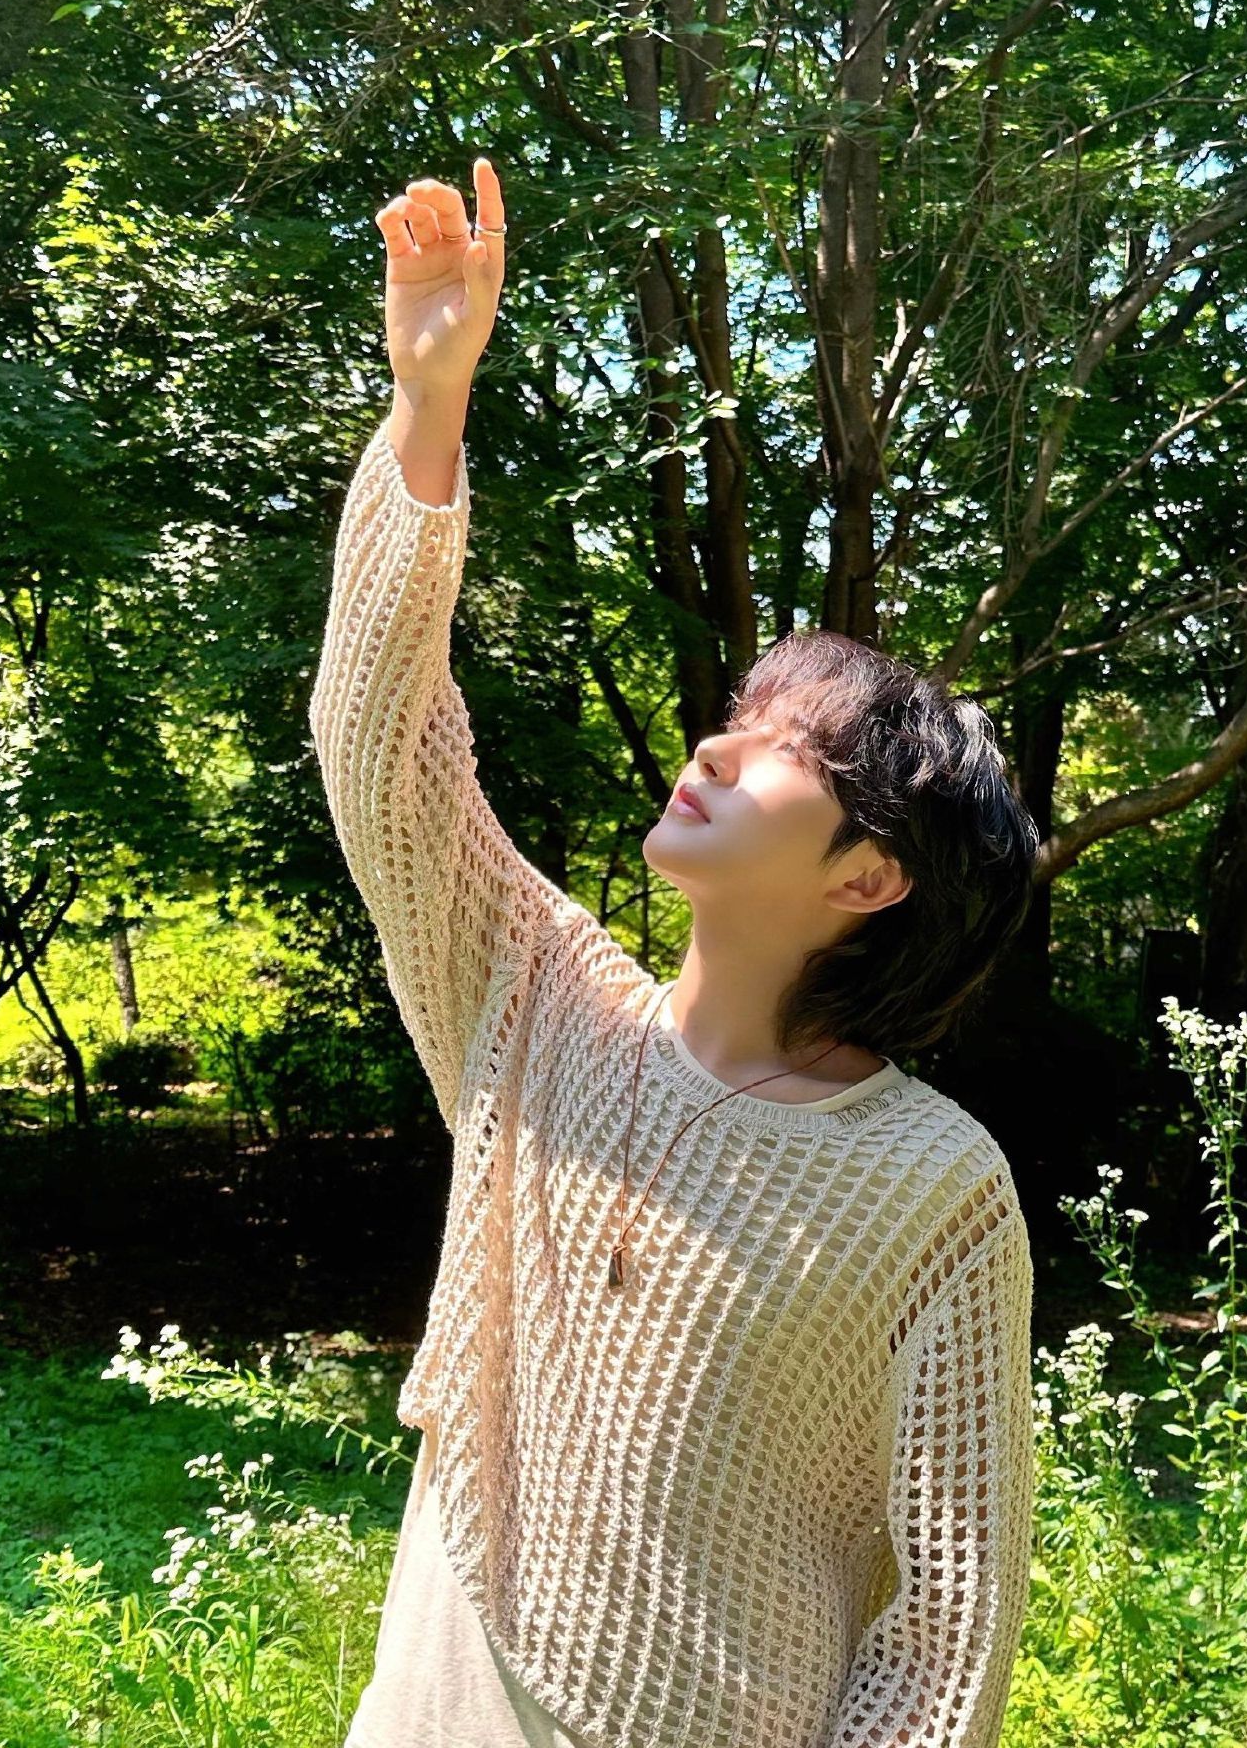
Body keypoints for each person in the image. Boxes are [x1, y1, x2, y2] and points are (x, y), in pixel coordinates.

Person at [311, 160, 1042, 1748]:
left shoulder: (935, 1187)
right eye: (738, 712)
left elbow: (948, 1628)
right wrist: (426, 415)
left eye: (784, 746)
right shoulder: (544, 1008)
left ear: (869, 877)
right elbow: (377, 753)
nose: (716, 744)